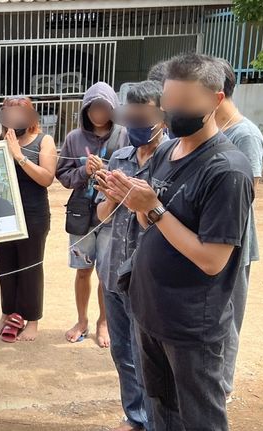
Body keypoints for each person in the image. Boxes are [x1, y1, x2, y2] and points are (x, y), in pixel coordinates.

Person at [103, 53, 254, 430]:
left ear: (216, 101)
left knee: (199, 418)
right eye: (169, 105)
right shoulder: (169, 151)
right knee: (161, 409)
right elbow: (145, 219)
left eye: (186, 106)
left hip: (191, 324)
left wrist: (152, 208)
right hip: (151, 309)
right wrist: (132, 197)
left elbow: (211, 260)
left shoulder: (227, 171)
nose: (174, 114)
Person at [95, 81, 166, 431]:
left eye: (145, 116)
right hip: (113, 271)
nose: (137, 123)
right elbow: (102, 216)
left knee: (150, 357)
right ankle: (135, 416)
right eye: (131, 116)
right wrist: (111, 195)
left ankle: (157, 420)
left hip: (150, 277)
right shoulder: (119, 158)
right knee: (122, 352)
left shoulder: (173, 160)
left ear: (162, 117)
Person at [56, 81, 128, 348]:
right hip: (82, 215)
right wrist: (84, 172)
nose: (97, 113)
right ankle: (82, 319)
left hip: (113, 214)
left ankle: (104, 321)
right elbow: (62, 175)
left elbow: (136, 170)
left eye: (103, 107)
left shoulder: (124, 135)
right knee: (82, 270)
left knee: (107, 273)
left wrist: (109, 175)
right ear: (85, 110)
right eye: (92, 108)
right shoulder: (74, 138)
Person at [214, 58, 263, 401]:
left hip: (231, 245)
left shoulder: (244, 134)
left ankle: (222, 389)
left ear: (215, 95)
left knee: (228, 319)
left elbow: (247, 196)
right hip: (207, 241)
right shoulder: (213, 132)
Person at [0, 96, 56, 342]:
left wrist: (18, 155)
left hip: (34, 213)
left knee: (31, 266)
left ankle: (32, 319)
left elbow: (46, 178)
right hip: (4, 214)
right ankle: (7, 313)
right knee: (5, 266)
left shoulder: (43, 141)